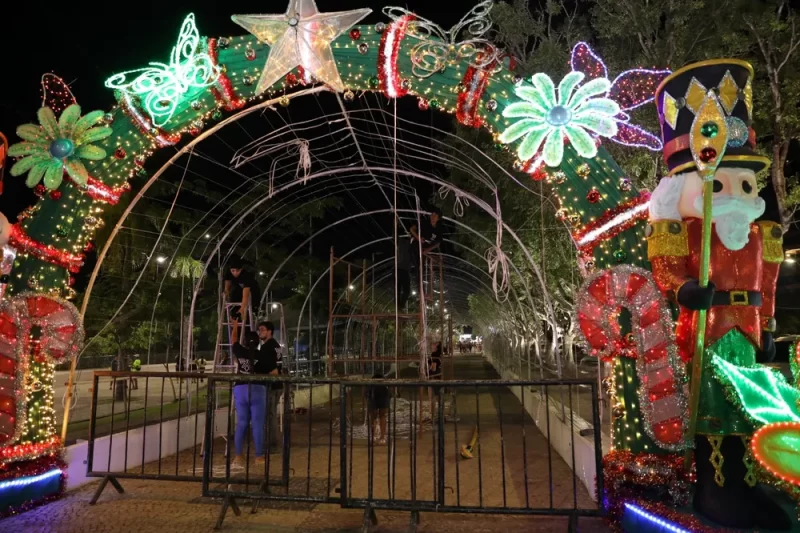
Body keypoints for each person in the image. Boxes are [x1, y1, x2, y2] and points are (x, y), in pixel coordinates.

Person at [647, 59, 787, 529]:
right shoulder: (681, 231)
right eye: (721, 184)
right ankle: (715, 489)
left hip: (745, 336)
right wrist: (684, 288)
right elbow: (667, 270)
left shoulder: (759, 235)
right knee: (711, 408)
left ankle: (750, 484)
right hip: (705, 333)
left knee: (749, 408)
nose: (738, 195)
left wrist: (767, 327)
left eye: (745, 184)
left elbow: (765, 285)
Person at [232, 325, 278, 468]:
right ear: (258, 342)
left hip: (240, 389)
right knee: (258, 424)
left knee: (242, 423)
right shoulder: (263, 355)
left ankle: (238, 456)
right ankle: (259, 457)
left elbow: (233, 340)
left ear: (244, 342)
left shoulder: (239, 351)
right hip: (258, 389)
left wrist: (235, 326)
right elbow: (274, 373)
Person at [257, 321, 282, 450]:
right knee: (271, 414)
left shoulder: (267, 347)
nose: (260, 332)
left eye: (262, 329)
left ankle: (272, 444)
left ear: (269, 331)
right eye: (259, 330)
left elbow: (274, 370)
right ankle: (272, 442)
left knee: (270, 414)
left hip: (272, 385)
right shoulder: (276, 345)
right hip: (277, 384)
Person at [224, 257, 261, 346]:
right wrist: (226, 294)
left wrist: (243, 308)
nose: (235, 273)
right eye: (233, 271)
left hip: (252, 293)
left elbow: (246, 295)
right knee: (234, 298)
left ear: (241, 270)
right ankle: (235, 321)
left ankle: (247, 341)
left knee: (245, 317)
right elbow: (227, 286)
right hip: (238, 290)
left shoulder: (246, 276)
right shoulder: (228, 273)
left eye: (237, 271)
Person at [367, 373, 390, 445]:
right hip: (376, 392)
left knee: (377, 416)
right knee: (378, 415)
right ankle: (379, 437)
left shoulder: (374, 386)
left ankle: (379, 437)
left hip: (380, 393)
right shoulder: (374, 386)